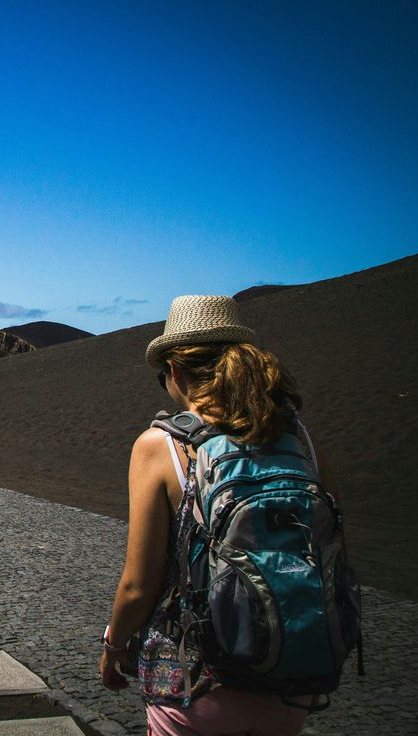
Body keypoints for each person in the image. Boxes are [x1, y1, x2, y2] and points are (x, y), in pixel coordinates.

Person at [99, 295, 341, 735]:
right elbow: (332, 548)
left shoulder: (163, 447)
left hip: (198, 680)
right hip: (292, 677)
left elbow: (139, 583)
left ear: (174, 370)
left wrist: (114, 645)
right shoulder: (300, 438)